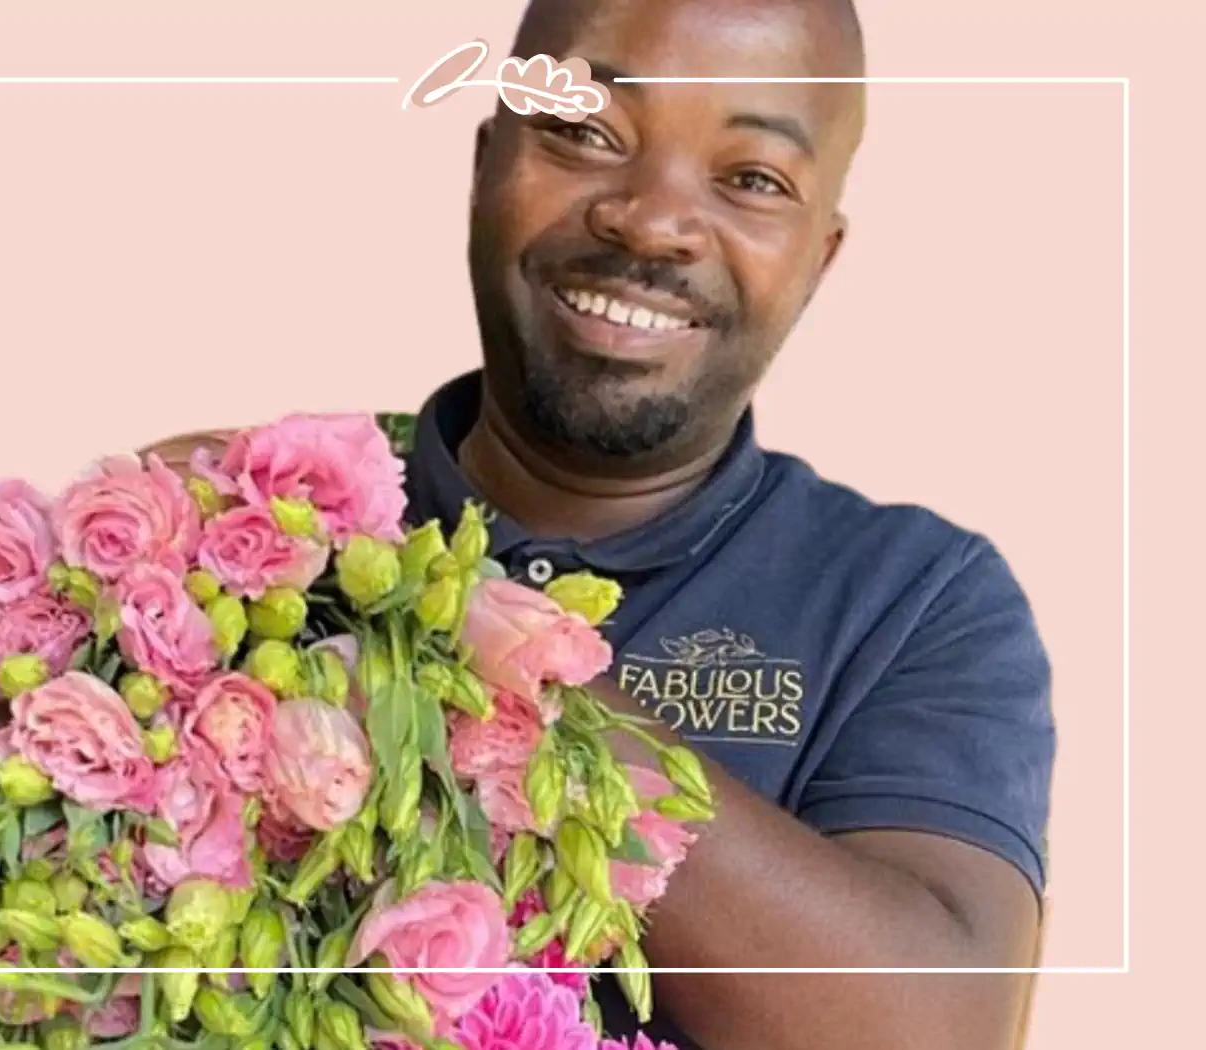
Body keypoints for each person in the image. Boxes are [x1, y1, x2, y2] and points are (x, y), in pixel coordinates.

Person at [145, 1, 1056, 1047]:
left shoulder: (913, 597)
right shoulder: (240, 526)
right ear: (486, 166)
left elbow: (929, 1027)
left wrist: (452, 631)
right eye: (584, 134)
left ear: (816, 259)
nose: (648, 219)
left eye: (751, 179)